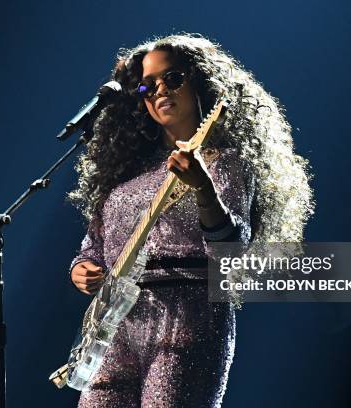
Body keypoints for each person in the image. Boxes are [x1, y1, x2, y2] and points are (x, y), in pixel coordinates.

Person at [67, 34, 314, 407]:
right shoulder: (125, 174)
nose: (160, 90)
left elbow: (232, 249)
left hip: (188, 313)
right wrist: (82, 268)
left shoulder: (225, 163)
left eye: (173, 78)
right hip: (116, 323)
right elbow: (94, 247)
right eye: (148, 86)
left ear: (200, 82)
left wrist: (202, 187)